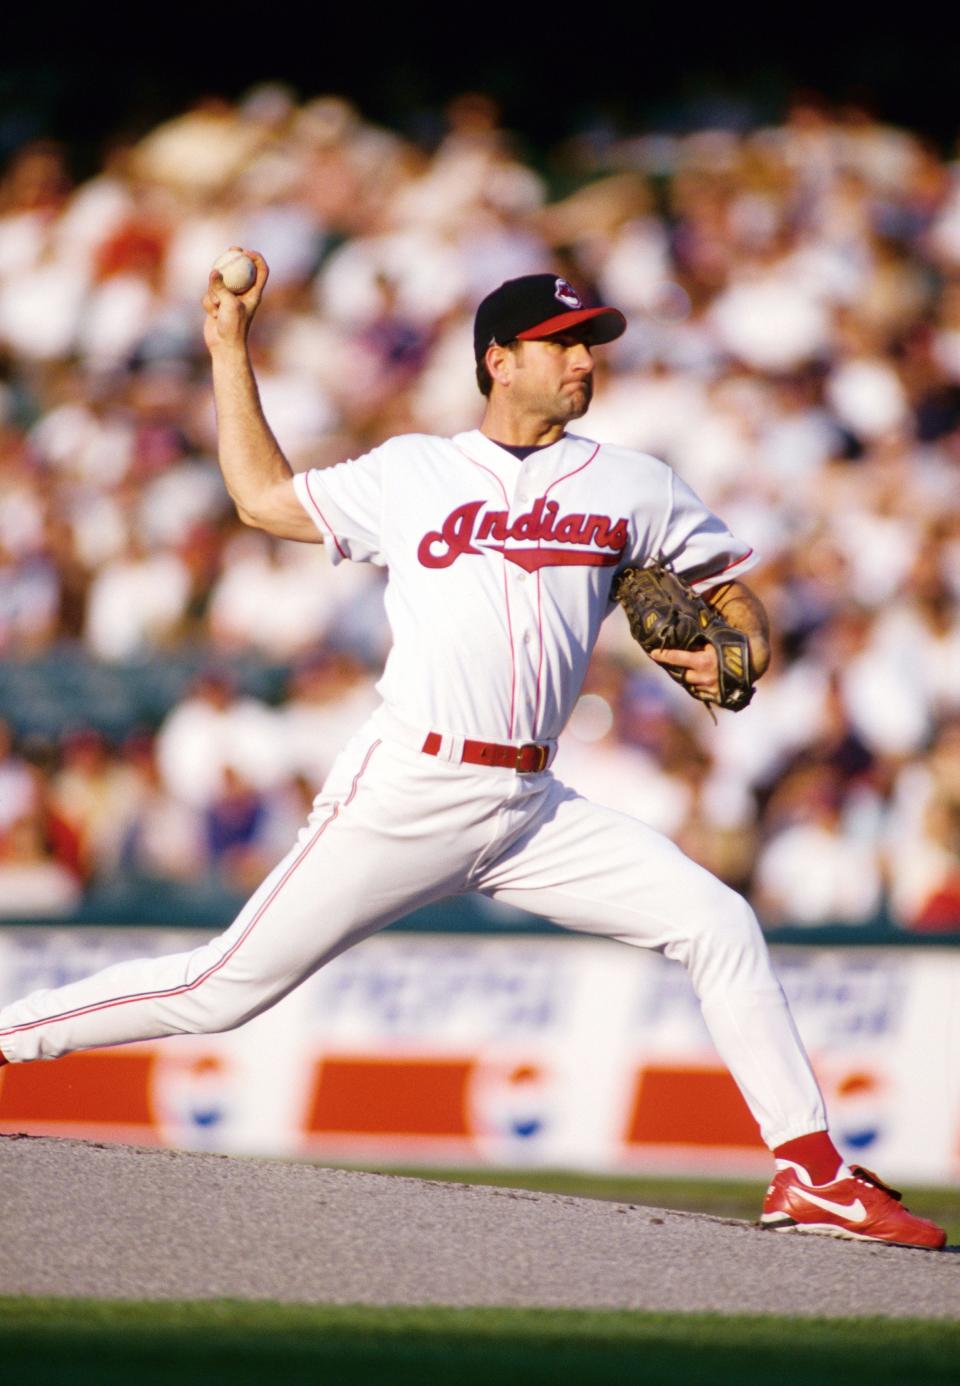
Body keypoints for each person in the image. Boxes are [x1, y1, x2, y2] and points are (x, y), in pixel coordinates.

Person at [0, 259, 945, 1250]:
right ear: (499, 359)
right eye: (564, 343)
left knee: (718, 921)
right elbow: (263, 499)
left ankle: (812, 1174)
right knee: (221, 989)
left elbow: (734, 593)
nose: (585, 360)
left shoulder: (634, 485)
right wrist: (229, 348)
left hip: (535, 805)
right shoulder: (414, 470)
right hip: (413, 782)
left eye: (592, 343)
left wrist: (737, 649)